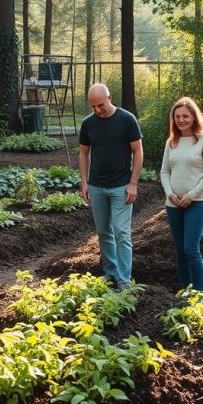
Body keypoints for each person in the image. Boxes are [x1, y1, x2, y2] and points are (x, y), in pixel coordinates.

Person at [78, 83, 143, 291]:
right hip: (97, 186)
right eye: (93, 106)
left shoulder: (126, 120)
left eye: (100, 105)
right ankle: (110, 273)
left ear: (110, 98)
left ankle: (124, 279)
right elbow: (83, 153)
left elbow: (138, 152)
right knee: (104, 231)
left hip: (121, 187)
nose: (97, 110)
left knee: (122, 232)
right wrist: (85, 182)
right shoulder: (88, 124)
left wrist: (133, 183)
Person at [160, 97, 203, 291]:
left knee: (190, 249)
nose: (181, 120)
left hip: (197, 203)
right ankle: (185, 289)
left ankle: (199, 294)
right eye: (177, 116)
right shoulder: (172, 141)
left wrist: (191, 195)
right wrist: (170, 195)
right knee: (180, 250)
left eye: (185, 116)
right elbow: (165, 171)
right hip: (174, 204)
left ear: (194, 117)